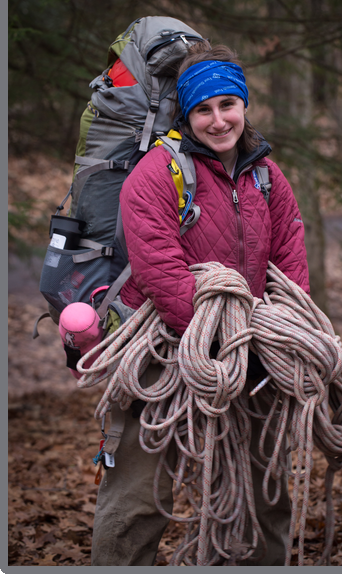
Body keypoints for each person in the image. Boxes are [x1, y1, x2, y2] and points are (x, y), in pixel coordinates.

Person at [91, 41, 310, 566]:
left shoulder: (266, 175)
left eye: (227, 105)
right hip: (162, 357)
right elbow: (160, 271)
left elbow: (290, 262)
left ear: (244, 105)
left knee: (265, 494)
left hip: (254, 354)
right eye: (203, 110)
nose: (218, 121)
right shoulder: (155, 175)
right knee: (137, 500)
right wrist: (226, 341)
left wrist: (277, 333)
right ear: (187, 115)